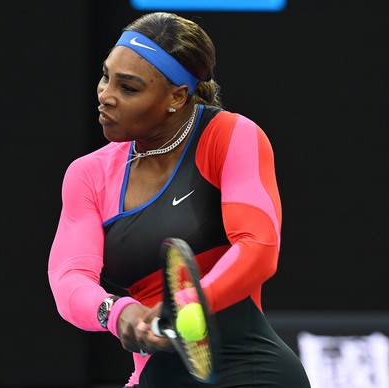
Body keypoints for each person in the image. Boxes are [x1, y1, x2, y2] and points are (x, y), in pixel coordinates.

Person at [48, 12, 311, 387]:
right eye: (106, 76)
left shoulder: (230, 136)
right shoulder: (88, 174)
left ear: (176, 96)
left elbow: (258, 245)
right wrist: (117, 312)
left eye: (129, 88)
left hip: (253, 371)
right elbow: (69, 277)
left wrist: (189, 303)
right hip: (157, 373)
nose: (106, 96)